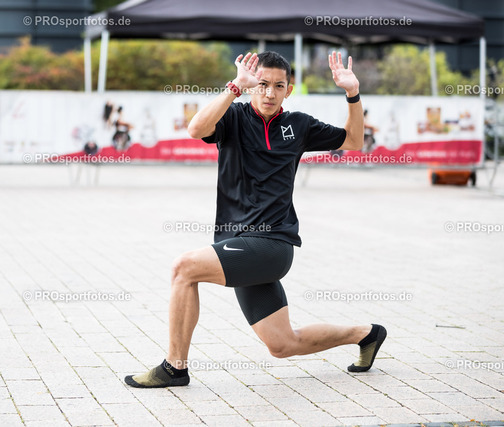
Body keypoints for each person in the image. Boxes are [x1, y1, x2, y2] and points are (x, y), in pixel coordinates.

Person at [124, 51, 387, 388]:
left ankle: (174, 368)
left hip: (273, 245)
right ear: (252, 86)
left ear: (288, 90)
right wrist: (234, 87)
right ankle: (366, 334)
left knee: (183, 268)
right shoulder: (232, 117)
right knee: (283, 344)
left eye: (278, 86)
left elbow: (354, 140)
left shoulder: (299, 125)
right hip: (238, 244)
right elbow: (195, 128)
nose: (269, 92)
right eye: (262, 84)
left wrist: (352, 93)